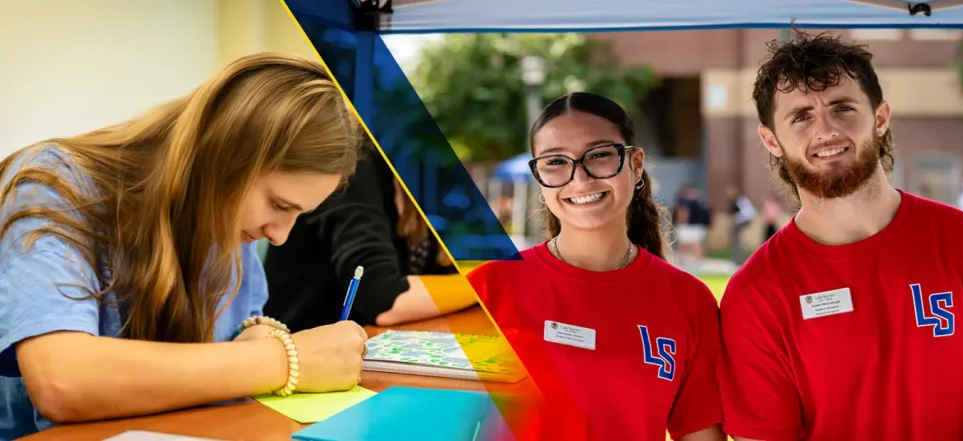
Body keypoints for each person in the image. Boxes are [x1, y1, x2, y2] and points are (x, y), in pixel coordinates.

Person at [0, 53, 371, 439]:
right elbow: (63, 380)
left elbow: (228, 356)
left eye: (299, 214)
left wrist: (254, 340)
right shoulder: (51, 184)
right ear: (222, 157)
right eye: (278, 205)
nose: (279, 236)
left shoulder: (230, 223)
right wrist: (285, 359)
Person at [717, 29, 963, 441]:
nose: (825, 130)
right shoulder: (754, 295)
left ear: (880, 118)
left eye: (842, 108)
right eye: (801, 116)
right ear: (771, 140)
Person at [466, 92, 724, 441]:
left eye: (600, 154)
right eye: (555, 161)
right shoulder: (487, 288)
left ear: (635, 166)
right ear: (540, 179)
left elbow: (700, 434)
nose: (580, 178)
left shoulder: (688, 300)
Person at [262, 141, 477, 330]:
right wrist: (487, 284)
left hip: (360, 351)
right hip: (305, 355)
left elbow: (441, 275)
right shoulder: (352, 170)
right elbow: (384, 299)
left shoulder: (419, 180)